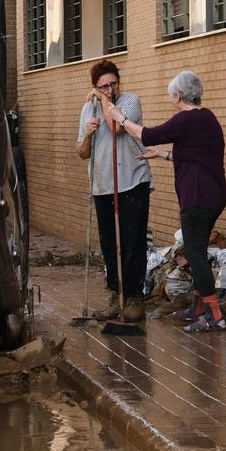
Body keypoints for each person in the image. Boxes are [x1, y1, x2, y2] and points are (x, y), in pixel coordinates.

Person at [108, 70, 226, 332]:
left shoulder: (185, 119)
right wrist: (163, 155)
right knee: (196, 251)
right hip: (214, 195)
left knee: (195, 254)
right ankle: (198, 307)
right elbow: (197, 155)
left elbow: (147, 134)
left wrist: (121, 118)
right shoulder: (208, 118)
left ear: (178, 95)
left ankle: (214, 316)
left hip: (196, 197)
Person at [76, 60, 153, 322]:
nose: (109, 89)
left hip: (132, 181)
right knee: (109, 243)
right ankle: (114, 295)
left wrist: (102, 98)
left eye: (112, 84)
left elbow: (117, 127)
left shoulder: (131, 101)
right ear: (95, 86)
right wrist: (87, 134)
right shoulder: (88, 109)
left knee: (132, 241)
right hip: (102, 184)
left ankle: (133, 298)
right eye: (103, 86)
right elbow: (82, 153)